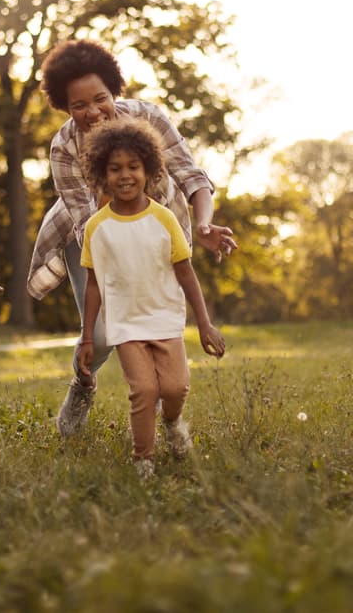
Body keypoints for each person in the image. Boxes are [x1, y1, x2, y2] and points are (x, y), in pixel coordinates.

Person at [27, 40, 237, 437]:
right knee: (104, 333)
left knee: (154, 318)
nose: (92, 113)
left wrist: (205, 224)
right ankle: (83, 384)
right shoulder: (64, 147)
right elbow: (89, 223)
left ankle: (155, 404)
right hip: (93, 234)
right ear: (64, 107)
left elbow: (192, 177)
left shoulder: (148, 119)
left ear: (114, 91)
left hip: (155, 230)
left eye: (100, 99)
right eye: (79, 105)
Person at [77, 118, 226, 477]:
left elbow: (186, 274)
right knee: (144, 390)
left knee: (175, 388)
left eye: (133, 167)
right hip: (126, 325)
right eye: (115, 169)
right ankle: (143, 459)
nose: (125, 176)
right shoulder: (96, 227)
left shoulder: (164, 219)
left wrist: (204, 324)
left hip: (165, 319)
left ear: (149, 170)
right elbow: (93, 285)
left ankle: (173, 424)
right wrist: (86, 337)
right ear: (102, 174)